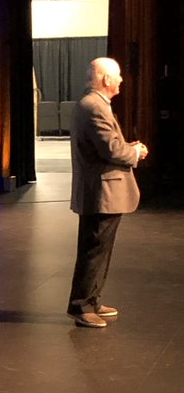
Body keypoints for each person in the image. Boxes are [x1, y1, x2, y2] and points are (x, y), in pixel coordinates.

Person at [67, 57, 148, 328]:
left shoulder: (95, 104)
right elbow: (110, 149)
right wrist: (134, 152)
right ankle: (81, 306)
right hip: (101, 192)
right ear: (106, 79)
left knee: (99, 250)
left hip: (104, 191)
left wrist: (128, 147)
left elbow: (107, 144)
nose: (121, 80)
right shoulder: (94, 106)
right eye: (118, 75)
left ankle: (91, 300)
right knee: (94, 251)